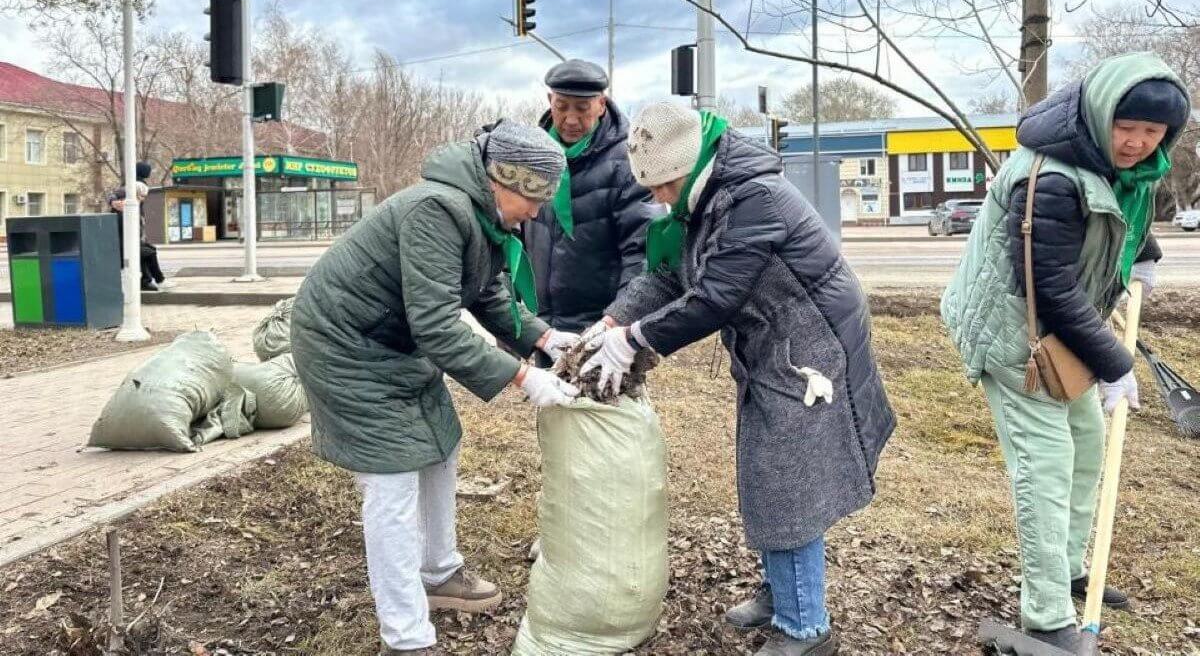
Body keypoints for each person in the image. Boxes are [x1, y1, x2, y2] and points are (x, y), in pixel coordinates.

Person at [582, 101, 895, 656]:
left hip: (811, 343)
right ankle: (783, 591)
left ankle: (806, 628)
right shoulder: (704, 199)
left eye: (664, 185)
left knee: (791, 479)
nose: (658, 198)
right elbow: (670, 276)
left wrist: (633, 341)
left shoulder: (753, 199)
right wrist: (614, 318)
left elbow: (715, 298)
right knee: (764, 468)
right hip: (771, 345)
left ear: (691, 163)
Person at [290, 121, 584, 656]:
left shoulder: (482, 217)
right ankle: (405, 636)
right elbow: (439, 327)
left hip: (393, 341)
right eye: (533, 198)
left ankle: (439, 571)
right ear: (502, 180)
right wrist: (523, 377)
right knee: (391, 481)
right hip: (344, 343)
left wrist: (547, 339)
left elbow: (489, 297)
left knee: (440, 446)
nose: (537, 213)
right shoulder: (437, 209)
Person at [941, 53, 1191, 650]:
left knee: (1086, 446)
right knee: (1045, 467)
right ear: (1102, 114)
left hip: (1057, 331)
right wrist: (1114, 362)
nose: (1135, 143)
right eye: (1125, 127)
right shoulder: (1050, 176)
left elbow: (1111, 209)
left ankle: (1073, 570)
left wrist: (1142, 249)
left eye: (1152, 132)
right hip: (1014, 335)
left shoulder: (1112, 165)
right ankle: (1047, 617)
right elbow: (1048, 286)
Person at [521, 59, 657, 335]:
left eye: (582, 109)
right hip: (541, 327)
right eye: (561, 107)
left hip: (601, 326)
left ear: (601, 104)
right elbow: (514, 239)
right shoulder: (532, 156)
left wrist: (619, 321)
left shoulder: (628, 163)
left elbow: (643, 253)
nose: (571, 119)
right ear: (550, 100)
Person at [108, 161, 170, 291]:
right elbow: (116, 194)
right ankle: (157, 280)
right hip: (125, 235)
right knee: (148, 252)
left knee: (145, 252)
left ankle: (146, 281)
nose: (142, 198)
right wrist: (114, 201)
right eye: (141, 196)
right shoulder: (136, 185)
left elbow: (114, 195)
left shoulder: (131, 187)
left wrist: (113, 201)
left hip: (127, 232)